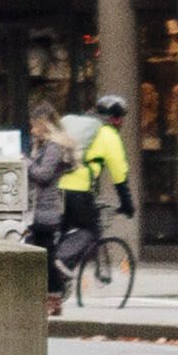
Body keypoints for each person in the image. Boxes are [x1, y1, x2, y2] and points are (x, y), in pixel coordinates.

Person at [48, 99, 130, 288]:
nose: (122, 123)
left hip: (53, 186)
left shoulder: (71, 121)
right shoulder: (107, 133)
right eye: (121, 119)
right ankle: (60, 261)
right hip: (78, 190)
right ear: (115, 119)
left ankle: (53, 280)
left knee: (60, 230)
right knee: (90, 230)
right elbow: (119, 174)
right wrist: (127, 204)